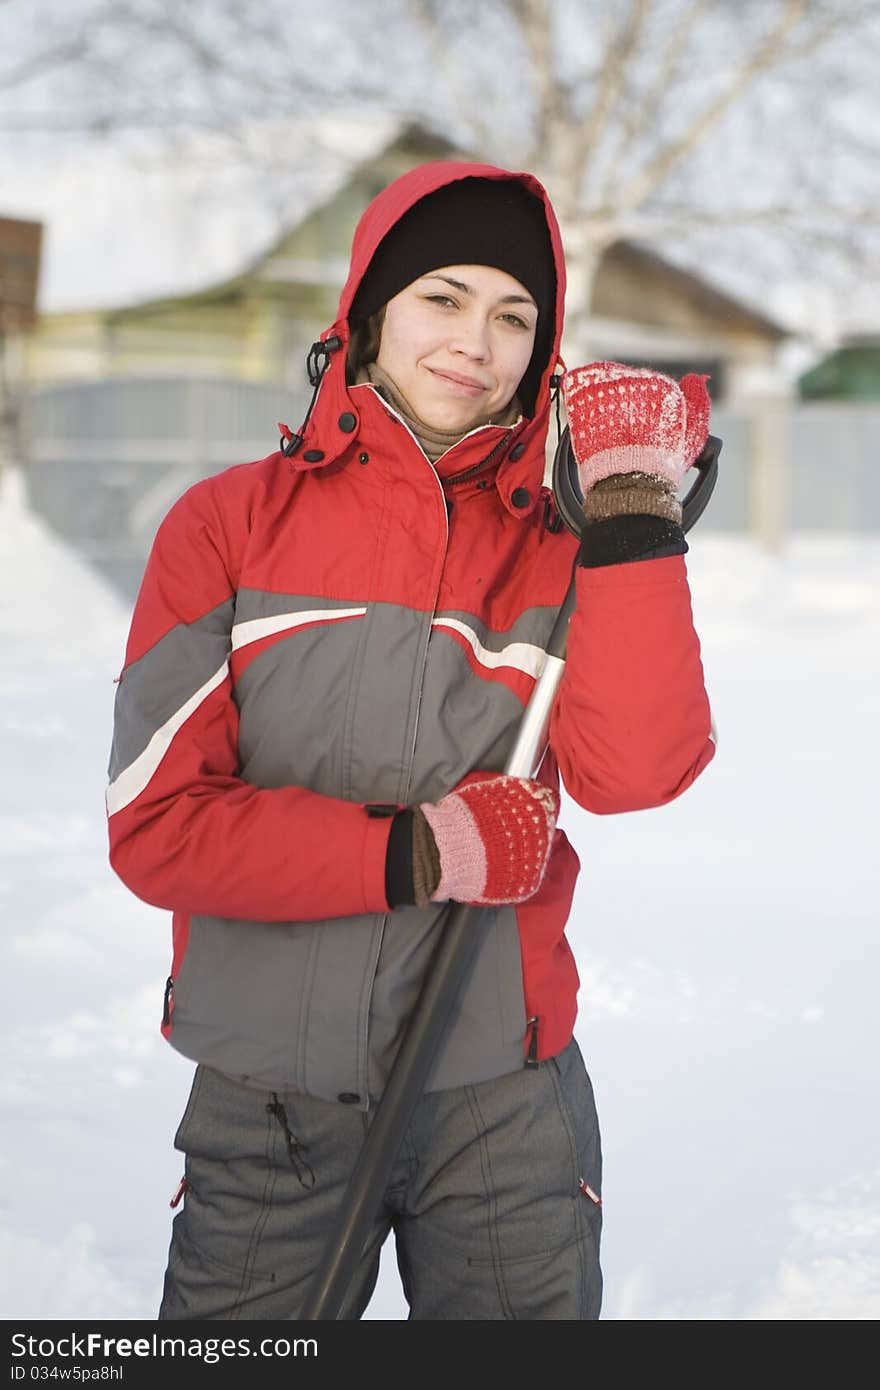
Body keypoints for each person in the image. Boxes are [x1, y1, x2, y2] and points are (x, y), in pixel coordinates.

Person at [106, 161, 715, 1321]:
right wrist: (415, 852)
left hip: (502, 1101)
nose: (476, 342)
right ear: (370, 306)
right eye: (443, 296)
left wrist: (634, 537)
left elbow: (635, 775)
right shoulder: (227, 525)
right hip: (269, 1099)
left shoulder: (559, 545)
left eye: (513, 316)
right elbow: (158, 829)